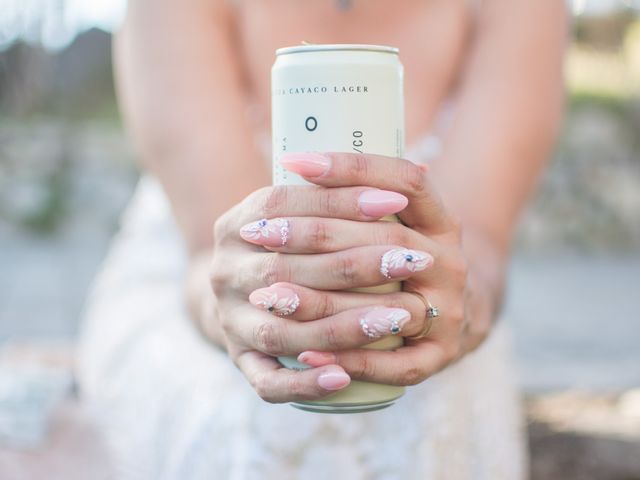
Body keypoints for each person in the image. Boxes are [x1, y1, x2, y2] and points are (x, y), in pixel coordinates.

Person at [78, 0, 566, 478]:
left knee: (437, 400)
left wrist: (448, 308)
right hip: (186, 287)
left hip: (407, 301)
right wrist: (241, 310)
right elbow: (212, 250)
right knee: (238, 407)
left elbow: (475, 246)